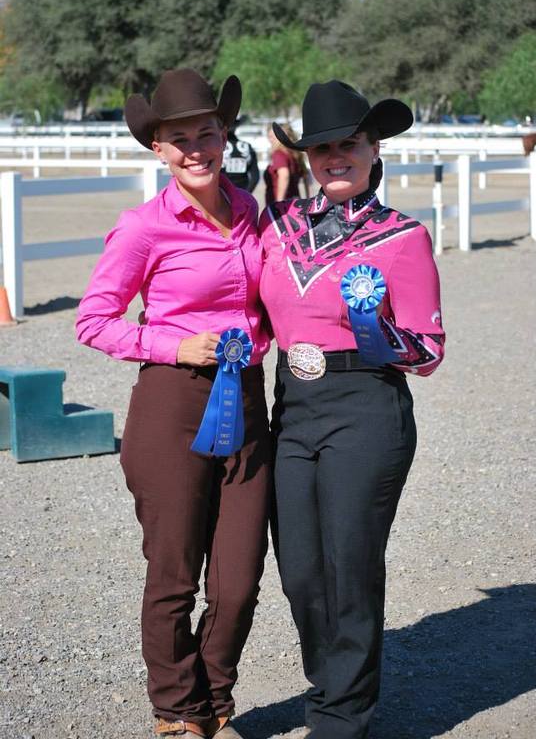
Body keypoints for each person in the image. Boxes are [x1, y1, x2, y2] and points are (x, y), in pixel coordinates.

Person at [76, 68, 272, 739]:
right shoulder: (141, 229)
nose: (196, 149)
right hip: (172, 401)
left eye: (207, 133)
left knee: (240, 579)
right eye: (179, 138)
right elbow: (93, 321)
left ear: (225, 136)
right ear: (158, 149)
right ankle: (180, 710)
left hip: (246, 397)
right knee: (174, 574)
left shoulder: (252, 213)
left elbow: (270, 301)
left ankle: (214, 694)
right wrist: (173, 346)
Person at [259, 80, 445, 739]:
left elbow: (428, 351)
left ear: (373, 149)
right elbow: (251, 314)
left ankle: (341, 718)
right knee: (302, 572)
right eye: (324, 148)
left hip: (367, 408)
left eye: (350, 144)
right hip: (295, 407)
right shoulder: (277, 228)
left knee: (349, 565)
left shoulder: (404, 237)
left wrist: (378, 330)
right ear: (308, 158)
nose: (336, 156)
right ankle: (332, 683)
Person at [264, 123, 309, 206]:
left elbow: (284, 176)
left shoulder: (279, 154)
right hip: (295, 201)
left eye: (272, 137)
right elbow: (306, 177)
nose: (270, 140)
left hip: (283, 205)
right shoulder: (295, 154)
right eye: (269, 136)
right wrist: (308, 198)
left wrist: (279, 204)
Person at [221, 118, 260, 192]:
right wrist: (247, 193)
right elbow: (255, 177)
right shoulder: (247, 146)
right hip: (243, 191)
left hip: (223, 193)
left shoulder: (217, 147)